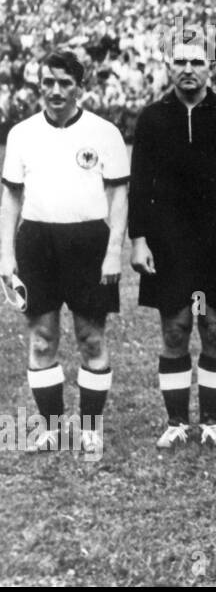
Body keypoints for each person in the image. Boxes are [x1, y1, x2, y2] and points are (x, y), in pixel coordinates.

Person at [128, 27, 216, 448]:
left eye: (197, 62)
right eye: (181, 62)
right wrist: (139, 239)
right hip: (170, 244)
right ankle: (174, 421)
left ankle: (209, 421)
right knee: (175, 327)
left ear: (210, 68)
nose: (188, 70)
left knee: (211, 324)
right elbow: (139, 184)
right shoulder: (152, 118)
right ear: (170, 65)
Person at [0, 51, 128, 453]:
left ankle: (90, 427)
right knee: (42, 339)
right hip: (37, 241)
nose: (56, 91)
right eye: (49, 82)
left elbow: (118, 194)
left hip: (89, 242)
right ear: (40, 85)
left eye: (65, 83)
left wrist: (113, 252)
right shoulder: (21, 134)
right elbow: (11, 197)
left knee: (91, 337)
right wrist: (6, 254)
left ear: (80, 87)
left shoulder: (104, 132)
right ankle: (52, 428)